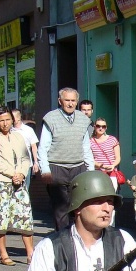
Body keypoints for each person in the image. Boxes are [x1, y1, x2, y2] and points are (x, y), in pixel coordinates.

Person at [19, 170, 136, 271]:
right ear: (78, 207)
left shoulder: (123, 240)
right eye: (98, 201)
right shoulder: (50, 247)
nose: (107, 208)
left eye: (110, 201)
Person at [0, 106, 34, 266]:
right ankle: (3, 254)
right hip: (2, 183)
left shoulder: (18, 136)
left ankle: (30, 254)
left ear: (13, 120)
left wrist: (22, 174)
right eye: (1, 120)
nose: (5, 123)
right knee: (1, 220)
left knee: (25, 217)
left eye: (7, 119)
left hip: (19, 184)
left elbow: (26, 158)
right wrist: (13, 174)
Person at [38, 87, 95, 230]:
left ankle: (77, 236)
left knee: (78, 206)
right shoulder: (51, 118)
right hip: (57, 167)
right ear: (60, 101)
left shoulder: (83, 119)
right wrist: (45, 170)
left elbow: (86, 147)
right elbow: (43, 147)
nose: (70, 103)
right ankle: (63, 237)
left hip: (78, 167)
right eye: (67, 100)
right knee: (61, 209)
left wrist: (91, 170)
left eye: (73, 100)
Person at [12, 109, 39, 188]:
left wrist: (36, 162)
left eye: (12, 118)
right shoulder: (9, 131)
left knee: (25, 188)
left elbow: (34, 147)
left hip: (26, 164)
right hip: (13, 165)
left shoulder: (28, 130)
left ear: (18, 118)